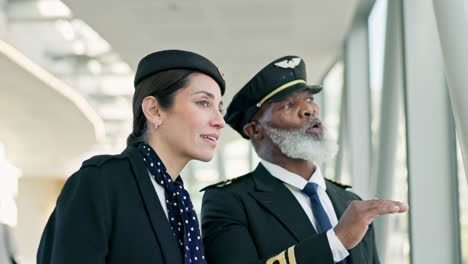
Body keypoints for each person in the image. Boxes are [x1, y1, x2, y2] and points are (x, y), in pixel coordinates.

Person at [201, 55, 408, 264]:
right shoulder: (230, 202)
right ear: (255, 129)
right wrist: (335, 241)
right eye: (289, 105)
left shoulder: (349, 201)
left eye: (309, 99)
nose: (310, 110)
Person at [37, 50, 226, 264]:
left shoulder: (180, 202)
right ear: (154, 110)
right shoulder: (100, 183)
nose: (219, 121)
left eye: (220, 108)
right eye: (203, 103)